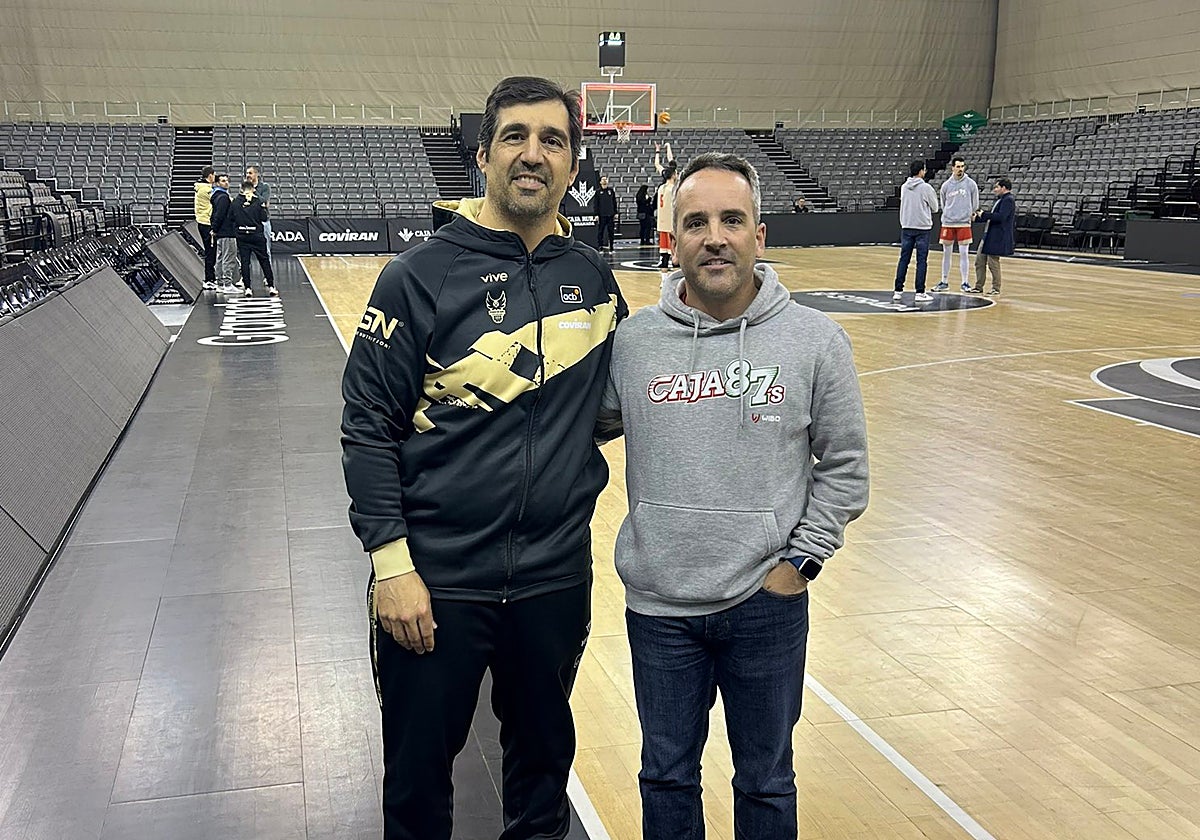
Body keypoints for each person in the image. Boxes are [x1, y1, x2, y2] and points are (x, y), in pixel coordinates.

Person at [340, 75, 627, 840]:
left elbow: (608, 408)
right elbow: (367, 428)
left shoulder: (595, 282)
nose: (533, 155)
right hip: (435, 579)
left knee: (541, 785)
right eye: (516, 137)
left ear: (572, 165)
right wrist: (391, 566)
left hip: (553, 578)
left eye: (553, 140)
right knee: (418, 789)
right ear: (484, 156)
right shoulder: (416, 278)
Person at [596, 152, 869, 840]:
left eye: (731, 220)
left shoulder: (815, 341)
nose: (714, 236)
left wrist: (797, 565)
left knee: (768, 783)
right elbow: (579, 433)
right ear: (674, 239)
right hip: (659, 609)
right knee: (664, 776)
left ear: (759, 236)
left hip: (765, 607)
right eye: (695, 222)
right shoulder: (633, 344)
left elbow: (846, 468)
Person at [893, 159, 939, 304]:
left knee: (903, 259)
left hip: (906, 226)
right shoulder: (926, 188)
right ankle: (920, 292)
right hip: (922, 228)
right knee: (921, 261)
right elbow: (935, 207)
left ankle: (898, 291)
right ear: (921, 171)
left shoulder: (904, 187)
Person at [934, 155, 979, 292]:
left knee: (964, 253)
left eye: (962, 166)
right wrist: (948, 214)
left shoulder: (971, 184)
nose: (960, 169)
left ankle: (965, 282)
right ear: (952, 167)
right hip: (948, 222)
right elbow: (943, 203)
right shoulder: (946, 186)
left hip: (964, 223)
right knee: (946, 253)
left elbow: (975, 202)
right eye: (958, 166)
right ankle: (944, 281)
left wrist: (970, 214)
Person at [230, 179, 278, 297]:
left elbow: (231, 218)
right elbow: (263, 218)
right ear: (253, 189)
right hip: (256, 235)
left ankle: (247, 288)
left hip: (242, 236)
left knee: (245, 262)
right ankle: (271, 286)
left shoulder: (235, 202)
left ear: (241, 189)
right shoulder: (258, 202)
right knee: (264, 260)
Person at [970, 177, 1016, 295]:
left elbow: (1001, 217)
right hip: (989, 236)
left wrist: (984, 214)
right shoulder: (1001, 200)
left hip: (997, 236)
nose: (994, 190)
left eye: (996, 187)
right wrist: (980, 218)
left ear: (1003, 188)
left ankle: (996, 288)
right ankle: (978, 286)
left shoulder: (1008, 200)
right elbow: (992, 218)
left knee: (993, 263)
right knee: (979, 261)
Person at [207, 174, 241, 293]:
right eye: (222, 181)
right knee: (228, 257)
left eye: (227, 181)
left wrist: (215, 229)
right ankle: (227, 283)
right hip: (227, 231)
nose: (226, 183)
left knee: (220, 257)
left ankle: (220, 283)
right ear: (217, 183)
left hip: (221, 232)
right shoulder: (223, 197)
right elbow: (219, 215)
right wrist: (214, 228)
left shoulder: (216, 196)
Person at [193, 166, 217, 290]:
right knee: (210, 252)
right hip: (206, 223)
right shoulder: (206, 189)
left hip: (203, 222)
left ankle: (211, 278)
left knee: (211, 252)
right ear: (210, 175)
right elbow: (218, 199)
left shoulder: (201, 187)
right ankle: (209, 279)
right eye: (214, 175)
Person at [654, 141, 677, 268]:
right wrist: (668, 147)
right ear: (674, 175)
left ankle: (664, 263)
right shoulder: (673, 187)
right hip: (671, 220)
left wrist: (657, 151)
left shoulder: (662, 187)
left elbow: (657, 164)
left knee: (664, 247)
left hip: (662, 221)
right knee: (673, 245)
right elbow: (671, 161)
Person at [246, 166, 272, 256]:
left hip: (263, 221)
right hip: (249, 221)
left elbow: (263, 201)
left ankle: (268, 269)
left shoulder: (265, 187)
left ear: (256, 174)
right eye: (247, 173)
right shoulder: (245, 187)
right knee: (247, 251)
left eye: (250, 173)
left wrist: (253, 190)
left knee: (266, 249)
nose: (248, 175)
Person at [595, 174, 619, 251]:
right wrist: (596, 214)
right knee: (601, 231)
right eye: (603, 179)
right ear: (600, 182)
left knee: (611, 231)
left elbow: (614, 202)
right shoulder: (598, 192)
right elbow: (596, 204)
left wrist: (615, 212)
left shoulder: (611, 191)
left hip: (610, 214)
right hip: (602, 215)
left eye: (606, 179)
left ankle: (611, 247)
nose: (605, 180)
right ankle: (600, 246)